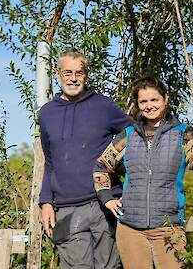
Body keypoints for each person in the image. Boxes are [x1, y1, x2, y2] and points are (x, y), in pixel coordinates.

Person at [38, 51, 131, 269]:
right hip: (66, 209)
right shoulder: (46, 113)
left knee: (110, 266)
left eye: (79, 73)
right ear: (57, 74)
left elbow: (133, 135)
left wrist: (120, 167)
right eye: (68, 72)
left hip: (104, 204)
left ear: (86, 75)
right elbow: (50, 161)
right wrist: (46, 202)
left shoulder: (104, 106)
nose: (73, 78)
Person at [93, 76, 193, 269]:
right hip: (130, 230)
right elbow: (102, 166)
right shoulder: (128, 135)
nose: (149, 106)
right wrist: (107, 197)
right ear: (138, 105)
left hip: (169, 229)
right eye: (143, 101)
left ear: (165, 100)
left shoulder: (183, 135)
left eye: (154, 100)